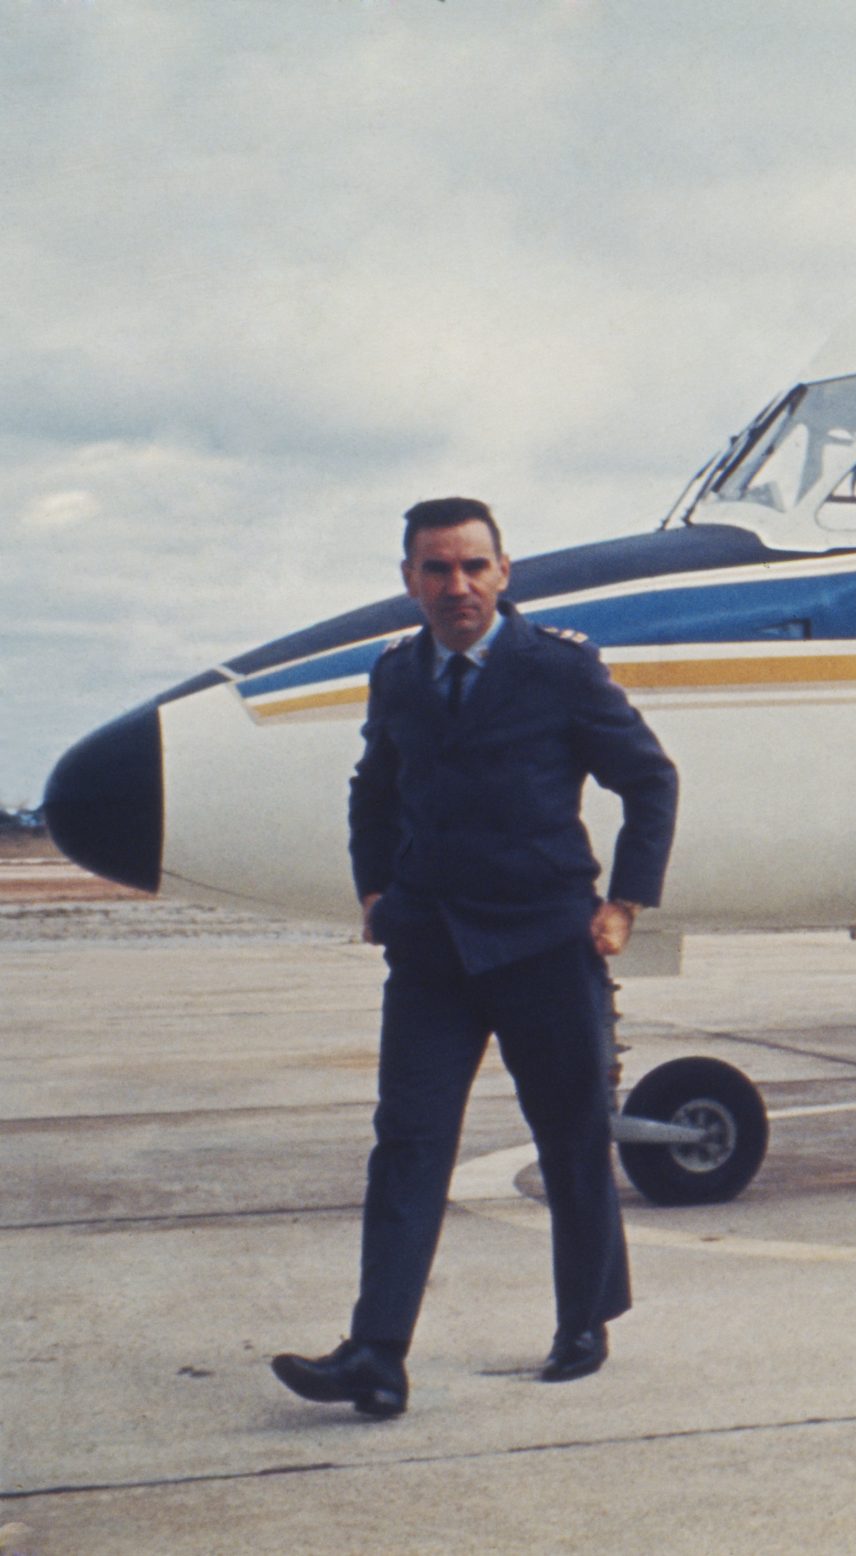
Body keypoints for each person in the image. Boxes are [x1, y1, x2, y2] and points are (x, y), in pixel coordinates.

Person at [272, 497, 678, 1418]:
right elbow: (373, 787)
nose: (456, 586)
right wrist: (374, 891)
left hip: (542, 941)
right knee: (407, 1145)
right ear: (409, 579)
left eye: (472, 567)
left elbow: (648, 779)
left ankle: (583, 1320)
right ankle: (376, 1354)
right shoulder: (398, 676)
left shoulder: (560, 670)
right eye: (435, 569)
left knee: (571, 1138)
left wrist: (625, 902)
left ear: (505, 573)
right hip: (432, 951)